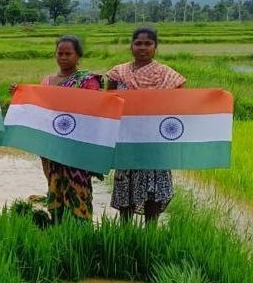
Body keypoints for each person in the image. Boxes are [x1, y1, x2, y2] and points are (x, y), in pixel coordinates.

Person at [107, 26, 185, 223]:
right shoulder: (119, 73)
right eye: (138, 43)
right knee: (126, 185)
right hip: (127, 140)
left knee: (153, 188)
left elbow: (180, 106)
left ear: (155, 47)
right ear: (131, 46)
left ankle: (150, 233)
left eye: (148, 43)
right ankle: (125, 231)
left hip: (155, 142)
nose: (143, 48)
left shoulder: (167, 75)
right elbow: (108, 103)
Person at [36, 35, 102, 222]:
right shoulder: (46, 82)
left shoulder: (88, 81)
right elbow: (40, 109)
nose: (63, 57)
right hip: (53, 146)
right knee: (55, 185)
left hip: (77, 147)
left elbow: (95, 112)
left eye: (68, 53)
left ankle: (79, 232)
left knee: (78, 188)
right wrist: (21, 94)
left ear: (78, 55)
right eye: (60, 53)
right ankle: (57, 228)